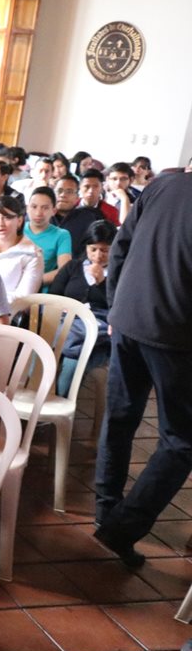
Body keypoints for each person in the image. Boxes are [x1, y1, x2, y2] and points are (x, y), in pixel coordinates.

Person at [93, 171, 192, 569]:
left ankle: (106, 510)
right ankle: (120, 528)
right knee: (182, 440)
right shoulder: (163, 185)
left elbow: (121, 246)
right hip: (175, 332)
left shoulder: (163, 184)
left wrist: (115, 304)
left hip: (129, 320)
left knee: (120, 417)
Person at [50, 221, 115, 396]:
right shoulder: (73, 267)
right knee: (42, 349)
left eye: (104, 250)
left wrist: (102, 283)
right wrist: (64, 307)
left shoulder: (119, 273)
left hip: (94, 336)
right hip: (65, 325)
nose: (98, 255)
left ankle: (59, 403)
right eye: (93, 249)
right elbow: (55, 294)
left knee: (73, 358)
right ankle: (33, 396)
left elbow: (117, 306)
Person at [0, 196, 43, 302]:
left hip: (7, 313)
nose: (1, 223)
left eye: (7, 217)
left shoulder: (32, 254)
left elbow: (23, 298)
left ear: (19, 221)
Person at [24, 186, 73, 288]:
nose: (38, 213)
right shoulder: (16, 229)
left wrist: (32, 283)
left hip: (42, 291)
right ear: (27, 208)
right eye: (34, 207)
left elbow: (64, 270)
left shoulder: (61, 235)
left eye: (45, 208)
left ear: (53, 211)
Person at [52, 174, 104, 253]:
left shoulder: (88, 219)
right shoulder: (44, 216)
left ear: (77, 197)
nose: (62, 195)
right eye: (59, 191)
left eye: (69, 192)